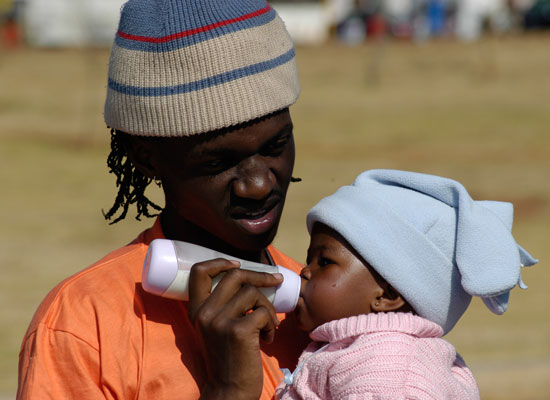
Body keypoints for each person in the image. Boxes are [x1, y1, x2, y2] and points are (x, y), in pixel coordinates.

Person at [17, 0, 310, 398]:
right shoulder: (87, 325)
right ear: (146, 158)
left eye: (275, 144)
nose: (258, 185)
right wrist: (226, 390)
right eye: (219, 161)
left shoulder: (321, 311)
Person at [276, 169, 538, 399]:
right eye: (309, 260)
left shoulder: (387, 369)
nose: (304, 272)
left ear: (387, 295)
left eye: (324, 262)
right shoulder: (356, 351)